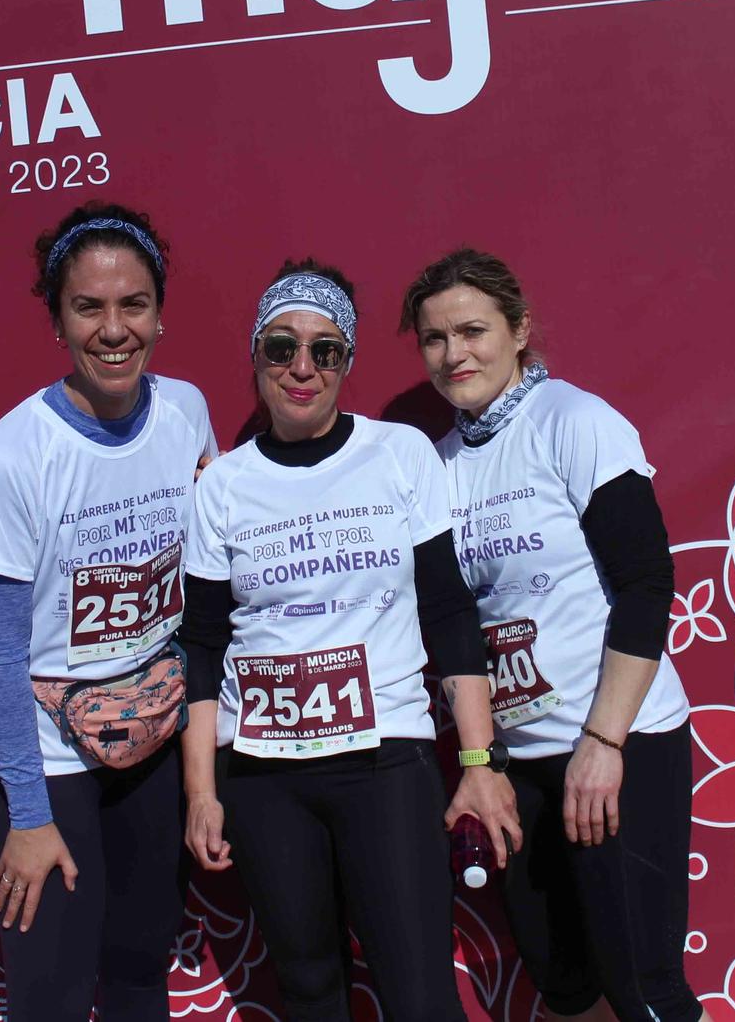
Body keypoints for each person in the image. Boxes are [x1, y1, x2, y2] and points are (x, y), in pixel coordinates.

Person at [177, 260, 521, 1022]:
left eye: (325, 350)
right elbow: (200, 648)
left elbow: (449, 614)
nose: (302, 368)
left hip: (385, 764)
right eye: (281, 347)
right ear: (257, 355)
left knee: (421, 992)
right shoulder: (221, 487)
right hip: (265, 777)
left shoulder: (400, 455)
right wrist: (202, 792)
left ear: (348, 361)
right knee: (307, 992)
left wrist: (477, 760)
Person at [402, 248, 701, 1022]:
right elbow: (451, 619)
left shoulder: (574, 420)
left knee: (645, 988)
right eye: (434, 338)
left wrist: (604, 743)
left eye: (473, 329)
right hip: (517, 770)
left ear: (519, 328)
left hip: (615, 748)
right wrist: (482, 761)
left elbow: (645, 584)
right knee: (564, 986)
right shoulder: (437, 463)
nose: (454, 353)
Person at [0, 202, 217, 1022]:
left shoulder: (187, 412)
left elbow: (208, 582)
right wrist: (29, 821)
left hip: (150, 744)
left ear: (160, 313)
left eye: (133, 304)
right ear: (57, 320)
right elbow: (0, 656)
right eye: (89, 306)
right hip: (47, 762)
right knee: (52, 997)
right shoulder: (13, 454)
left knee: (142, 971)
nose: (114, 329)